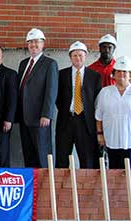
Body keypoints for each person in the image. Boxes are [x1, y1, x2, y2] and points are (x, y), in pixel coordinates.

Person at [95, 56, 131, 169]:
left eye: (125, 72)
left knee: (130, 174)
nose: (121, 74)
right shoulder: (105, 92)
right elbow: (99, 116)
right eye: (118, 71)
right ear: (113, 74)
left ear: (130, 75)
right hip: (112, 140)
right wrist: (100, 135)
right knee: (114, 174)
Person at [16, 28, 58, 168]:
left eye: (36, 42)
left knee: (42, 155)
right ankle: (32, 187)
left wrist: (47, 114)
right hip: (24, 118)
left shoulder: (49, 64)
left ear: (43, 44)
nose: (33, 45)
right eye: (30, 42)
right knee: (29, 155)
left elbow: (51, 91)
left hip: (40, 118)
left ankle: (45, 187)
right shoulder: (23, 64)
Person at [56, 41, 102, 169]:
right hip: (66, 120)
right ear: (70, 57)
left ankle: (86, 188)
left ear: (85, 56)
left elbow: (97, 101)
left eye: (81, 55)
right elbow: (57, 97)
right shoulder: (61, 75)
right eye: (75, 55)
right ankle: (61, 188)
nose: (78, 58)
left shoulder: (95, 77)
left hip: (86, 122)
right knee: (62, 158)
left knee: (87, 159)